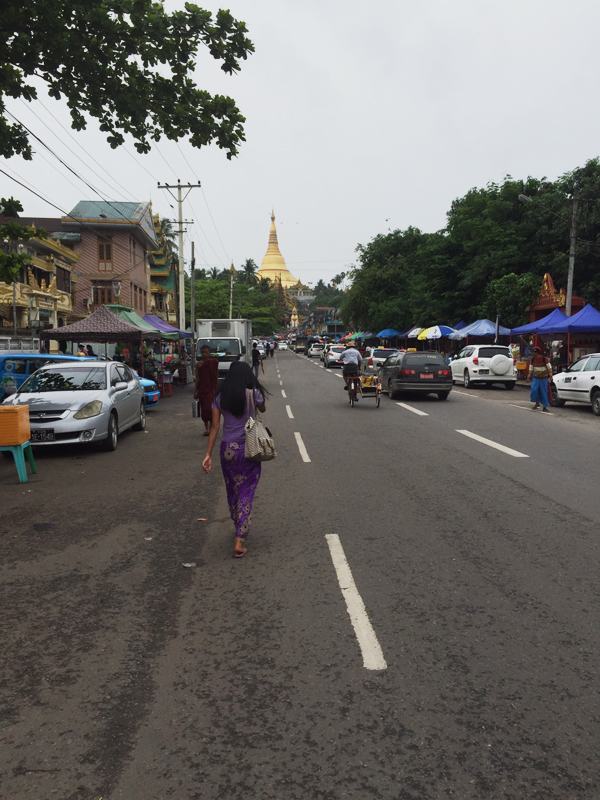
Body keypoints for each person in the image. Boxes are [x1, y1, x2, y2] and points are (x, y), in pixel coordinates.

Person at [202, 361, 269, 558]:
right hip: (249, 448)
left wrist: (208, 454)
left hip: (228, 450)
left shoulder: (219, 397)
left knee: (232, 489)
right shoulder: (252, 394)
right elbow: (263, 409)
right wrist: (256, 393)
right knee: (246, 490)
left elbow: (214, 427)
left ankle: (236, 520)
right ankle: (240, 538)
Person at [194, 344, 219, 436]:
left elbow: (215, 376)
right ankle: (207, 428)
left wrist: (216, 388)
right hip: (202, 389)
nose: (204, 354)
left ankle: (213, 427)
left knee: (211, 409)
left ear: (209, 353)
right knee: (204, 409)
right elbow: (197, 378)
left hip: (211, 389)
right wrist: (195, 390)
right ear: (201, 353)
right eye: (203, 352)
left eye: (206, 352)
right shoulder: (198, 364)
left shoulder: (213, 362)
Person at [528, 346, 552, 412]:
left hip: (544, 378)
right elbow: (531, 369)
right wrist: (529, 376)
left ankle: (545, 406)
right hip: (536, 378)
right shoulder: (533, 360)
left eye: (534, 352)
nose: (533, 353)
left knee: (543, 392)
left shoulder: (545, 359)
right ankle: (537, 403)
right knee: (534, 390)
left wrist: (550, 376)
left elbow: (549, 368)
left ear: (537, 353)